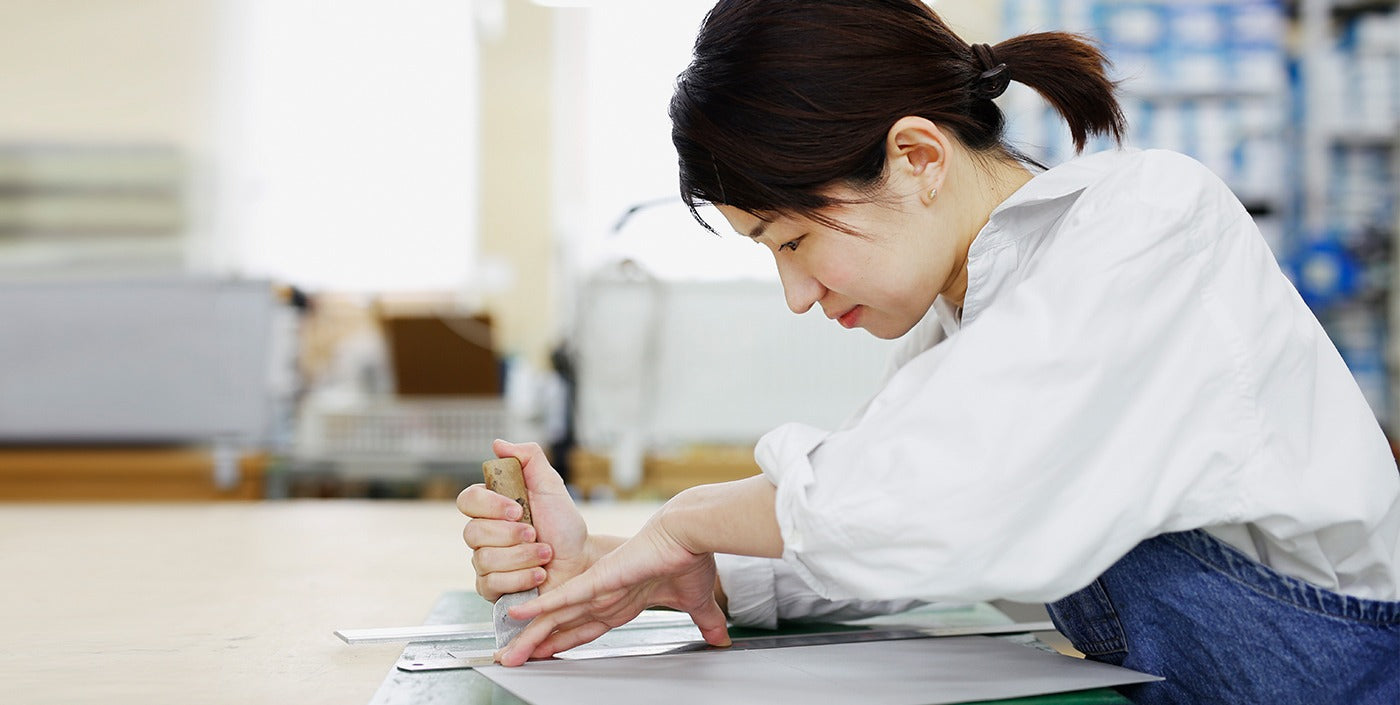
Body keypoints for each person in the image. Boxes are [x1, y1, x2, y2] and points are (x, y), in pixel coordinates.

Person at [457, 1, 1400, 702]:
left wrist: (693, 518)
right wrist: (637, 568)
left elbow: (925, 498)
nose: (796, 293)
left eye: (792, 241)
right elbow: (879, 535)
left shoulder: (1147, 218)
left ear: (916, 156)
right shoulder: (972, 308)